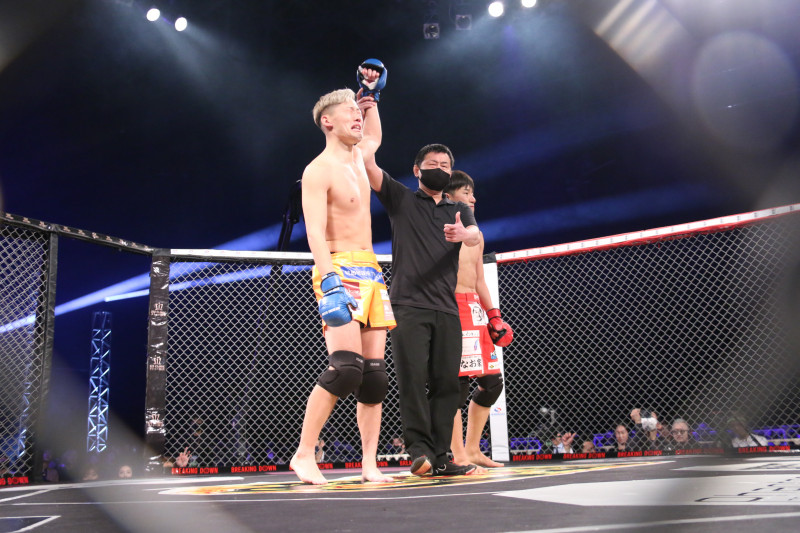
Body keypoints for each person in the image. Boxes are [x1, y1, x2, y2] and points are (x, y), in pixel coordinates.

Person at [290, 71, 396, 486]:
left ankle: (369, 464)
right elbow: (314, 232)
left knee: (375, 376)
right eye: (350, 111)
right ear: (327, 121)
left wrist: (370, 98)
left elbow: (375, 138)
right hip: (337, 267)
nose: (357, 117)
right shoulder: (318, 170)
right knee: (346, 369)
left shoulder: (358, 159)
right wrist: (330, 280)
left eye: (358, 111)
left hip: (371, 269)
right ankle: (304, 454)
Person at [364, 141, 481, 477]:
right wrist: (367, 117)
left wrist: (465, 233)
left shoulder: (458, 209)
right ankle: (419, 451)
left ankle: (441, 456)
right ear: (417, 170)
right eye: (433, 164)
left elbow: (475, 235)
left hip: (446, 307)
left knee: (448, 384)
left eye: (445, 165)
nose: (440, 169)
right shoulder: (401, 198)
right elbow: (370, 165)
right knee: (412, 380)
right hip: (408, 305)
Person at [443, 170, 513, 469]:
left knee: (492, 383)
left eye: (472, 193)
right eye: (466, 193)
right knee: (455, 387)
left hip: (474, 309)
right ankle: (458, 454)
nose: (473, 198)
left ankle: (472, 450)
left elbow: (480, 279)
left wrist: (494, 316)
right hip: (450, 308)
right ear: (449, 197)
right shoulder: (440, 229)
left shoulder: (477, 234)